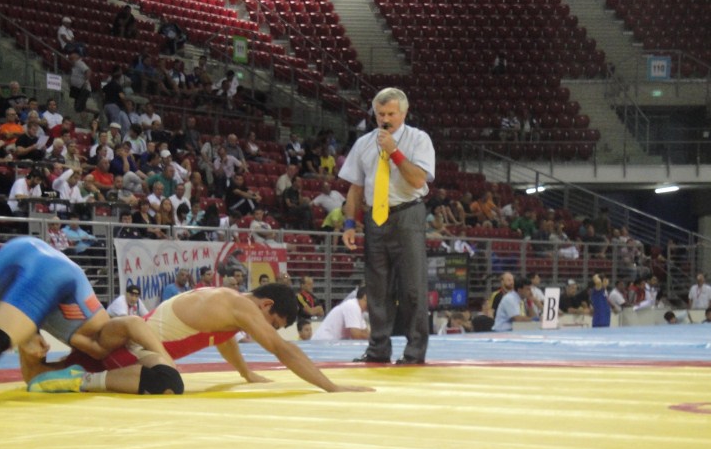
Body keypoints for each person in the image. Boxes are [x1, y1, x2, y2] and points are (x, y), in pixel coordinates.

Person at [0, 237, 180, 402]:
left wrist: (31, 335)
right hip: (54, 276)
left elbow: (36, 373)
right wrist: (167, 360)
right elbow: (133, 324)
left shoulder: (82, 355)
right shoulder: (105, 339)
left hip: (26, 247)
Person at [22, 284, 372, 395]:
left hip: (126, 351)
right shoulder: (239, 305)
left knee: (37, 378)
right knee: (168, 383)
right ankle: (77, 378)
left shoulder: (228, 304)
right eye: (273, 321)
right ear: (266, 305)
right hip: (127, 352)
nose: (267, 329)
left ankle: (29, 341)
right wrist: (330, 386)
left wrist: (244, 373)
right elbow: (282, 348)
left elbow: (222, 339)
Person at [340, 87, 435, 365]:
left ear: (403, 113)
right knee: (377, 288)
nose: (385, 119)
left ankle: (415, 352)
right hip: (375, 218)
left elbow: (418, 180)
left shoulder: (418, 139)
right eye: (380, 113)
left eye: (391, 113)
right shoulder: (364, 143)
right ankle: (378, 349)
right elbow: (355, 188)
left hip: (408, 214)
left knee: (412, 288)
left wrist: (394, 151)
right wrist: (349, 223)